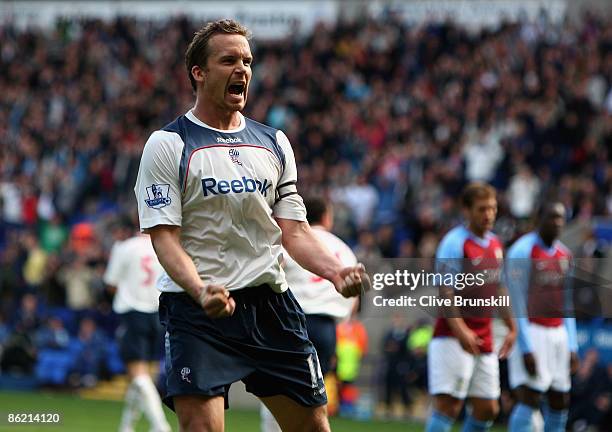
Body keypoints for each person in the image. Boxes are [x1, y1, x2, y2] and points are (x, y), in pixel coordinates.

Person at [134, 19, 369, 432]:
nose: (242, 69)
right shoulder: (169, 144)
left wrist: (335, 272)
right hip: (199, 311)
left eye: (247, 61)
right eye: (229, 60)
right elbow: (164, 238)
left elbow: (295, 231)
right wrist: (199, 288)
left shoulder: (273, 142)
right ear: (199, 72)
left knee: (314, 428)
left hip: (270, 306)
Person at [260, 197, 359, 431]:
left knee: (276, 391)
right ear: (326, 216)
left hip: (292, 322)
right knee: (313, 398)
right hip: (326, 328)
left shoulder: (292, 241)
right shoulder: (343, 248)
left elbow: (271, 272)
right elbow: (353, 295)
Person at [426, 182, 516, 432]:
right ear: (466, 210)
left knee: (488, 408)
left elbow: (499, 288)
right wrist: (460, 330)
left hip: (484, 335)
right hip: (452, 336)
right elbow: (445, 291)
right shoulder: (454, 243)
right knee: (449, 405)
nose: (488, 215)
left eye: (492, 209)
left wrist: (512, 327)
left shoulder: (496, 244)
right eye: (481, 209)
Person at [505, 202, 579, 432]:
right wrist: (525, 347)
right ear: (539, 219)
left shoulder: (564, 255)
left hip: (558, 333)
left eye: (560, 218)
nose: (557, 223)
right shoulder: (522, 251)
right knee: (531, 396)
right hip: (532, 330)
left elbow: (567, 304)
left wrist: (572, 345)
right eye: (551, 217)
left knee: (560, 398)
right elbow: (516, 303)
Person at [104, 228, 171, 432]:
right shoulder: (163, 245)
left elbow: (111, 284)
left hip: (133, 312)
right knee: (142, 377)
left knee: (138, 375)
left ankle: (160, 425)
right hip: (157, 313)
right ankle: (127, 426)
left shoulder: (125, 247)